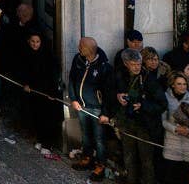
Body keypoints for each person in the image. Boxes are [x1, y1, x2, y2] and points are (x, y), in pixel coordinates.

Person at [67, 37, 114, 181]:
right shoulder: (78, 59)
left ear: (90, 49)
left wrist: (106, 113)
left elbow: (109, 93)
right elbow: (72, 79)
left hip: (97, 109)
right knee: (85, 135)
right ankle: (87, 158)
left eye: (82, 46)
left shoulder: (104, 67)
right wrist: (74, 99)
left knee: (99, 139)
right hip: (81, 106)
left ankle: (101, 165)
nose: (79, 48)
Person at [111, 48, 160, 184]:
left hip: (144, 125)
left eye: (139, 64)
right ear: (126, 63)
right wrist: (117, 96)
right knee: (129, 157)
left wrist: (143, 106)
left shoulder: (148, 79)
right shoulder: (119, 76)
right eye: (134, 64)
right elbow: (109, 94)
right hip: (126, 124)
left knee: (147, 160)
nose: (137, 67)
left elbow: (162, 104)